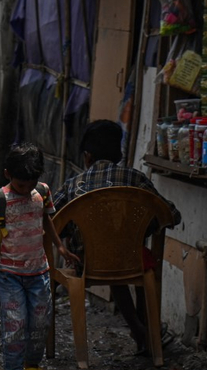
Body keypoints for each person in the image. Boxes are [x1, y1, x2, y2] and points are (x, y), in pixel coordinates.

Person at [52, 119, 181, 356]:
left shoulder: (74, 185)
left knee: (109, 252)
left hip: (89, 264)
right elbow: (172, 215)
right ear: (118, 154)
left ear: (87, 156)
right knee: (129, 252)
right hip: (132, 260)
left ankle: (140, 331)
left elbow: (53, 224)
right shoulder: (136, 179)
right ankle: (144, 332)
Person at [0, 143, 80, 370]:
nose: (26, 190)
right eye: (21, 185)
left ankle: (32, 364)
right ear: (7, 175)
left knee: (39, 325)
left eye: (30, 184)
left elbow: (46, 219)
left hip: (39, 275)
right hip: (10, 276)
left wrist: (60, 247)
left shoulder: (42, 192)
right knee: (14, 327)